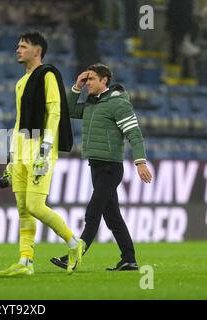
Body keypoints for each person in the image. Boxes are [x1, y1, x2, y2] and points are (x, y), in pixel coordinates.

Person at [50, 63, 152, 271]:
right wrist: (76, 87)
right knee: (112, 217)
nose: (88, 83)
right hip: (96, 166)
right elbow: (67, 110)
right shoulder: (91, 103)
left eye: (91, 80)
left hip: (110, 167)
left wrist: (140, 162)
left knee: (93, 211)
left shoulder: (118, 104)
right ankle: (129, 259)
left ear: (104, 80)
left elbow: (134, 133)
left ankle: (74, 256)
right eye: (86, 80)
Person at [0, 31, 83, 276]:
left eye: (23, 46)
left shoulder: (48, 75)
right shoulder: (20, 82)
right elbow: (18, 122)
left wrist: (45, 150)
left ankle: (74, 244)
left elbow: (54, 113)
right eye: (18, 45)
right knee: (23, 209)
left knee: (35, 205)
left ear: (37, 51)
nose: (18, 49)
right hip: (21, 150)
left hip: (40, 151)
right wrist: (11, 158)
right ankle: (26, 262)